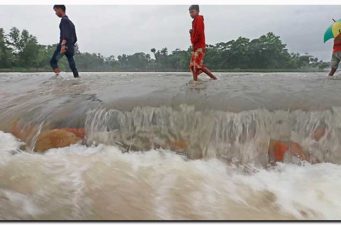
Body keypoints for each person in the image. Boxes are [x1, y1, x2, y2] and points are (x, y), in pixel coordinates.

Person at [188, 5, 217, 81]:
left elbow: (199, 33)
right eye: (190, 12)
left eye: (192, 12)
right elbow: (195, 35)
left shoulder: (199, 19)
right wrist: (191, 33)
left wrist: (193, 37)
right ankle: (196, 82)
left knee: (196, 65)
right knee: (193, 65)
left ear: (197, 11)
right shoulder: (194, 21)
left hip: (200, 46)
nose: (191, 14)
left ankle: (212, 78)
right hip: (195, 46)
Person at [50, 5, 79, 78]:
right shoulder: (71, 23)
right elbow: (75, 38)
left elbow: (65, 34)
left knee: (53, 61)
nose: (55, 13)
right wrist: (71, 45)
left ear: (60, 9)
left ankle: (59, 78)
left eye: (56, 10)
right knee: (72, 64)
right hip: (70, 47)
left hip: (64, 45)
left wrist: (63, 45)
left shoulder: (64, 20)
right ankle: (77, 77)